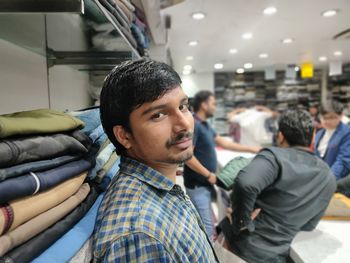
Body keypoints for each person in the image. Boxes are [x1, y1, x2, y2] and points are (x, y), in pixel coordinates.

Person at [93, 59, 218, 262]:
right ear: (124, 136)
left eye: (183, 106)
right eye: (158, 114)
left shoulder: (163, 184)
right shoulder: (139, 236)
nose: (184, 124)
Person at [217, 109, 336, 262]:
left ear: (280, 136)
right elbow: (309, 225)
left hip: (238, 249)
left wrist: (241, 221)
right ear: (313, 137)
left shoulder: (273, 157)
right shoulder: (328, 175)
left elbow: (246, 183)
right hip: (276, 256)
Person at [183, 90, 260, 241]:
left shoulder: (205, 125)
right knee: (208, 231)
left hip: (205, 185)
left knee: (211, 222)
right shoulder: (194, 124)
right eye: (213, 104)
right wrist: (209, 175)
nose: (215, 107)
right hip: (198, 185)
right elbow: (187, 157)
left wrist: (254, 149)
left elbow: (224, 143)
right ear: (204, 105)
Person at [314, 100, 350, 180]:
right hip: (320, 179)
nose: (326, 121)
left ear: (340, 116)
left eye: (331, 118)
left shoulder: (347, 133)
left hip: (338, 181)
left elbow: (343, 161)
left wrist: (329, 180)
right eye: (324, 118)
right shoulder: (320, 133)